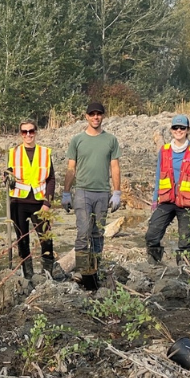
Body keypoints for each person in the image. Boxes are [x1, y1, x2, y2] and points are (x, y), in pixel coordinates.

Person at [61, 102, 122, 291]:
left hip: (102, 192)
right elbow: (72, 168)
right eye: (92, 114)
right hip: (82, 192)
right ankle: (81, 269)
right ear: (86, 116)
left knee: (97, 233)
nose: (95, 117)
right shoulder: (77, 140)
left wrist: (117, 192)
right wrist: (66, 192)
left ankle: (95, 269)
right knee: (83, 230)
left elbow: (115, 167)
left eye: (99, 114)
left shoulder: (111, 140)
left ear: (103, 116)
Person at [145, 115, 190, 267]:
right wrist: (154, 199)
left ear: (187, 130)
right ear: (171, 130)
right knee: (152, 233)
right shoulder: (164, 150)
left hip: (187, 201)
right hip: (167, 199)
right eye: (176, 128)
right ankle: (154, 265)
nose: (179, 131)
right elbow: (159, 174)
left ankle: (183, 270)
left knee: (185, 239)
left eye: (182, 128)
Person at [6, 118, 56, 280]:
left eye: (31, 131)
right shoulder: (13, 153)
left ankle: (47, 273)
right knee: (22, 241)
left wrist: (47, 204)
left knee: (46, 239)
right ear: (20, 134)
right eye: (24, 132)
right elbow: (8, 173)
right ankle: (28, 276)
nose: (28, 135)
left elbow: (51, 179)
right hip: (18, 203)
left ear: (36, 132)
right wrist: (7, 177)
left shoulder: (44, 153)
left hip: (39, 203)